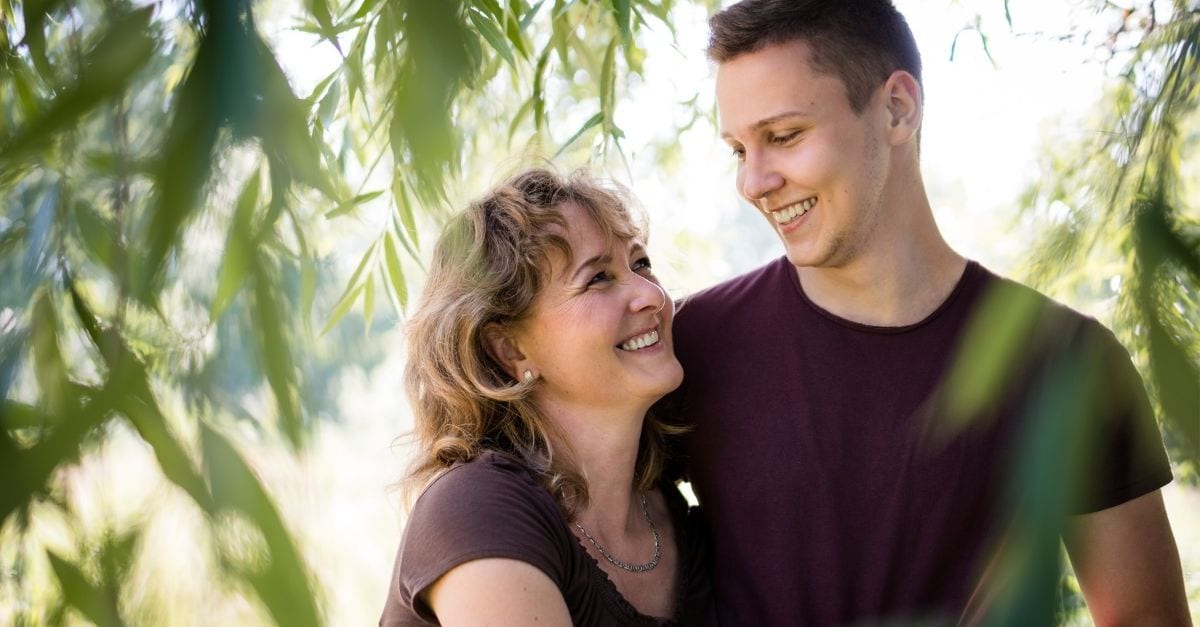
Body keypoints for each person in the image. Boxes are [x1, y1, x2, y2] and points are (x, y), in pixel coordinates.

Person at [666, 0, 1191, 624]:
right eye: (738, 149)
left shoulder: (1067, 361)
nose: (753, 182)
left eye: (783, 137)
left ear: (897, 109)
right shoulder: (690, 346)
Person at [379, 168, 716, 626]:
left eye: (640, 264)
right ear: (510, 349)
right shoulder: (475, 508)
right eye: (598, 278)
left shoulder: (674, 515)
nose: (651, 296)